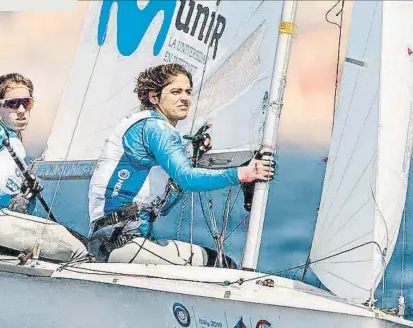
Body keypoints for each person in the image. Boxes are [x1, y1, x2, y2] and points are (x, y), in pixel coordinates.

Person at [87, 63, 274, 267]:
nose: (185, 98)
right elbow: (188, 179)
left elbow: (164, 206)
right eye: (176, 92)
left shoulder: (145, 125)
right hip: (121, 242)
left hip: (115, 240)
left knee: (219, 263)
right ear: (154, 97)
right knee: (222, 265)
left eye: (188, 91)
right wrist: (244, 173)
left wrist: (193, 157)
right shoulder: (156, 128)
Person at [0, 73, 89, 264]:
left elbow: (18, 209)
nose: (21, 110)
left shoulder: (14, 143)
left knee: (81, 243)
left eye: (27, 103)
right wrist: (6, 199)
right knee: (77, 251)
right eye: (13, 104)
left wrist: (26, 195)